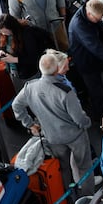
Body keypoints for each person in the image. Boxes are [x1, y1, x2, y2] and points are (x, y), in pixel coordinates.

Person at [12, 53, 95, 195]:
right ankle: (88, 199)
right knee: (84, 167)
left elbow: (16, 106)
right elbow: (79, 119)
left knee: (63, 168)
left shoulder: (30, 88)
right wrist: (87, 123)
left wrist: (30, 125)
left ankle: (69, 198)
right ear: (57, 69)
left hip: (53, 138)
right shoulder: (65, 91)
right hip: (75, 137)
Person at [0, 13, 54, 86]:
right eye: (1, 32)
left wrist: (14, 59)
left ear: (11, 27)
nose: (3, 34)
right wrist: (0, 50)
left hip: (30, 72)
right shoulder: (3, 34)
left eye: (5, 32)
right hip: (14, 71)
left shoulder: (27, 34)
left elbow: (33, 58)